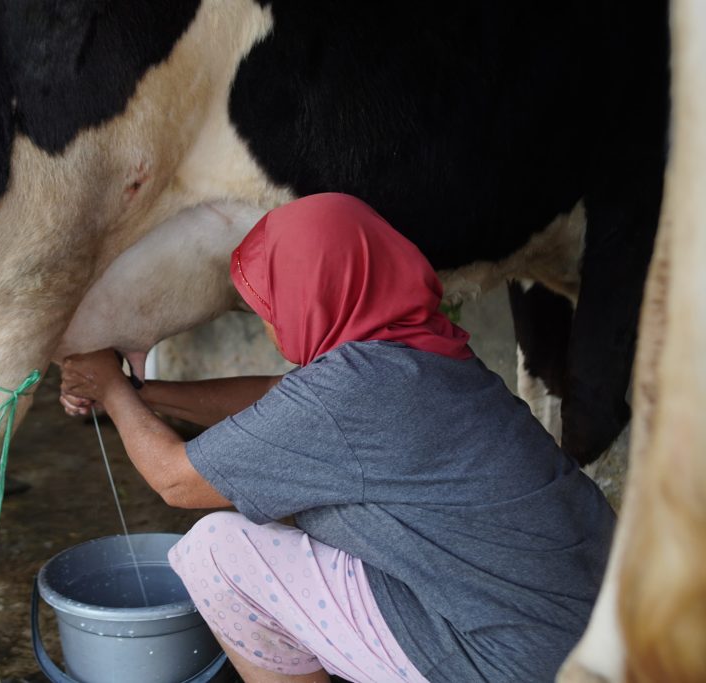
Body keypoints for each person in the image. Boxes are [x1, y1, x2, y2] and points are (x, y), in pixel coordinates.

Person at [59, 193, 615, 683]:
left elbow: (175, 480)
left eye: (270, 305)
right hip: (607, 636)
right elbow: (284, 396)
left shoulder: (350, 391)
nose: (270, 324)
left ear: (314, 292)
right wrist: (146, 393)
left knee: (216, 552)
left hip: (510, 662)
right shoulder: (423, 353)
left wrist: (111, 390)